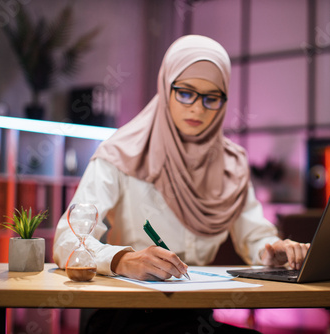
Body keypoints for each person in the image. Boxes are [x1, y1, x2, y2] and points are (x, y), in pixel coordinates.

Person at [53, 34, 310, 333]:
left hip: (195, 318)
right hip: (127, 316)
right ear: (166, 88)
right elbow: (66, 240)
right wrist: (122, 259)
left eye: (211, 98)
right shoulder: (122, 153)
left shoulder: (231, 164)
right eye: (185, 93)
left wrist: (272, 252)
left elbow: (253, 237)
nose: (198, 109)